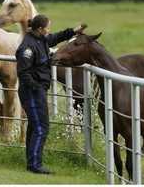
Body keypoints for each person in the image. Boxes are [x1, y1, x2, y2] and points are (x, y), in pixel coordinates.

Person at [15, 15, 86, 174]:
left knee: (35, 126)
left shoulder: (41, 39)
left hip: (37, 90)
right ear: (39, 29)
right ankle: (35, 165)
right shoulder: (27, 48)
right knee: (41, 127)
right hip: (32, 91)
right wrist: (36, 86)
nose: (49, 30)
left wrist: (73, 31)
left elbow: (56, 37)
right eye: (47, 27)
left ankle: (31, 162)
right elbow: (23, 71)